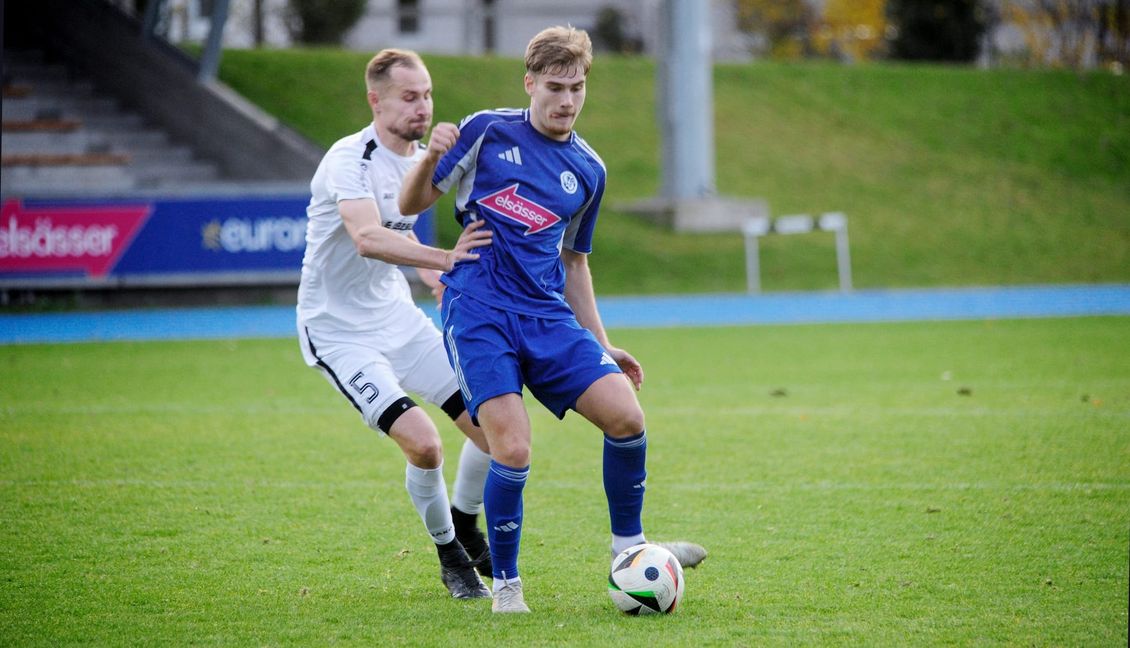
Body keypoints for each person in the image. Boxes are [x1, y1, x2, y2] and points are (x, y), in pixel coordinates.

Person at [399, 26, 706, 613]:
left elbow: (575, 263)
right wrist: (433, 157)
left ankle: (629, 551)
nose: (567, 101)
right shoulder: (486, 130)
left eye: (578, 88)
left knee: (626, 416)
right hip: (480, 312)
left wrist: (603, 344)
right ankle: (507, 586)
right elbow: (412, 206)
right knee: (511, 448)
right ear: (530, 83)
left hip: (547, 316)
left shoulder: (589, 169)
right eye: (556, 87)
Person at [296, 48, 497, 600]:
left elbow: (400, 232)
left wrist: (436, 283)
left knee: (495, 424)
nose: (423, 107)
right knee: (425, 444)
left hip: (398, 321)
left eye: (428, 95)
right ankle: (450, 556)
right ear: (375, 100)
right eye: (410, 97)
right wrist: (447, 259)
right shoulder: (349, 159)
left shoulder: (417, 162)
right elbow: (368, 237)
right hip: (338, 332)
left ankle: (464, 520)